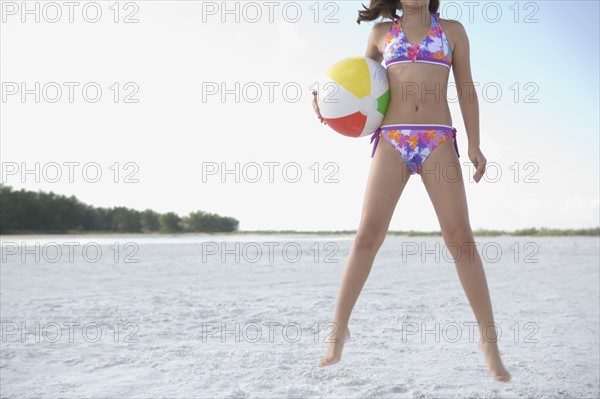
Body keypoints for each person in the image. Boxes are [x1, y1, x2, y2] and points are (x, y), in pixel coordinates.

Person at [311, 0, 511, 382]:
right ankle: (338, 332)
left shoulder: (452, 32)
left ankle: (488, 341)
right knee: (367, 235)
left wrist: (474, 145)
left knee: (460, 239)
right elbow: (355, 87)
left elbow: (466, 89)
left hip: (437, 138)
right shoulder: (380, 35)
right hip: (393, 139)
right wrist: (326, 104)